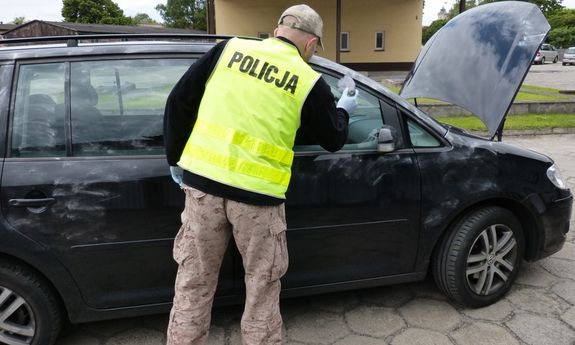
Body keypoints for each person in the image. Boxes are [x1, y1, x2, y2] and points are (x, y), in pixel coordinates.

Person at [163, 4, 359, 344]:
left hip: (202, 190)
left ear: (277, 28)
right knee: (261, 290)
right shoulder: (308, 80)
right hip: (258, 201)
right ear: (312, 44)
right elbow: (332, 139)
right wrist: (343, 108)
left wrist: (175, 158)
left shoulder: (228, 49)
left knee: (193, 283)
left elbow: (180, 101)